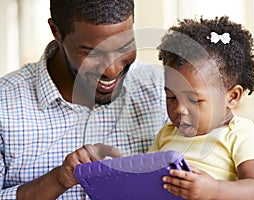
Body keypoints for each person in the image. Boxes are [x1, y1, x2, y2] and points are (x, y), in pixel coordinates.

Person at [0, 0, 167, 199]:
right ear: (56, 31)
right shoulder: (4, 104)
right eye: (92, 53)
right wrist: (58, 181)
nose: (112, 70)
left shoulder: (162, 91)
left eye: (125, 46)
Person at [148, 16, 254, 199]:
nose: (180, 109)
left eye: (195, 100)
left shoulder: (239, 133)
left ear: (232, 97)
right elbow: (144, 175)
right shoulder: (166, 134)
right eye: (172, 97)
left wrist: (214, 190)